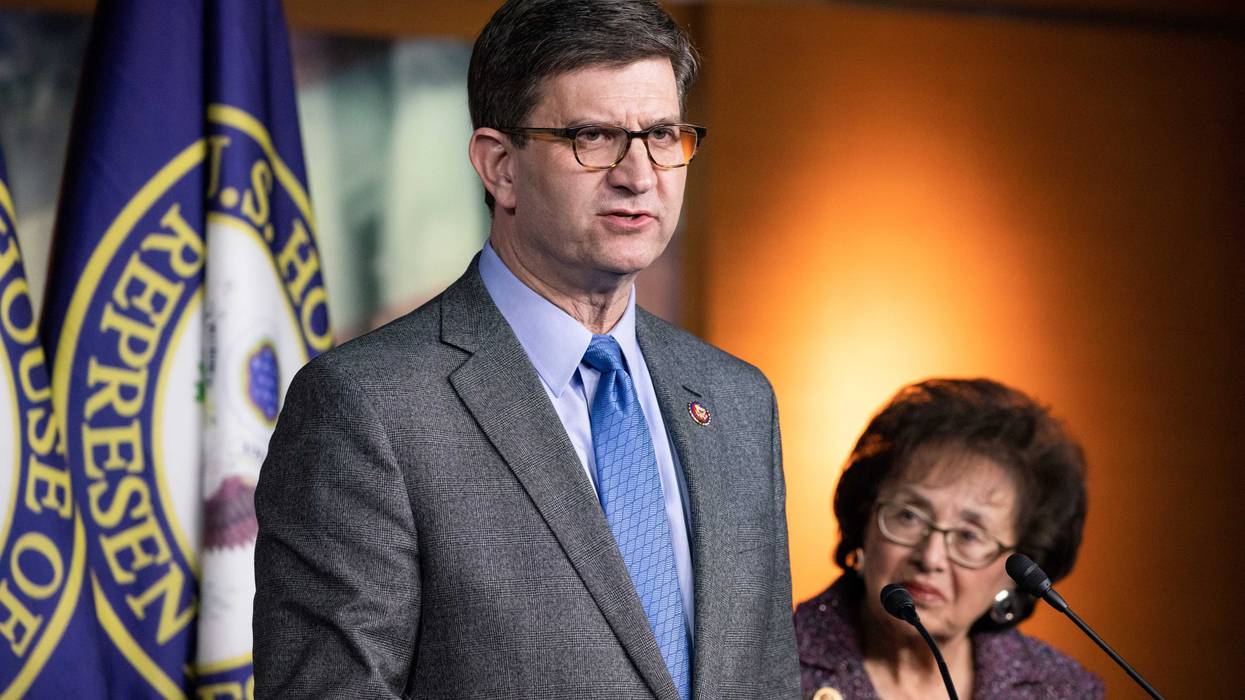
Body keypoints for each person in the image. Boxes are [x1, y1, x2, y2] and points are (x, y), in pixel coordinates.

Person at [252, 1, 800, 698]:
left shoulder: (735, 399)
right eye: (593, 136)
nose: (639, 174)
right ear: (499, 166)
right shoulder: (368, 408)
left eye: (661, 134)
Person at [794, 378, 1103, 699]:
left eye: (969, 536)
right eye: (909, 516)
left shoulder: (1062, 690)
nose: (930, 558)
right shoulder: (773, 667)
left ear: (1017, 572)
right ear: (865, 520)